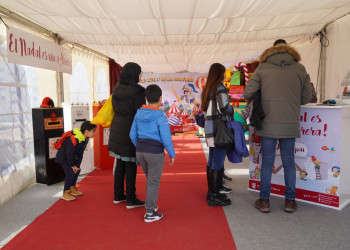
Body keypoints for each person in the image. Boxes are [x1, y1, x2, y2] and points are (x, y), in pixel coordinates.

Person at [243, 39, 312, 213]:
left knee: (267, 162)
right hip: (290, 122)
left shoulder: (263, 68)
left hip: (267, 122)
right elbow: (306, 98)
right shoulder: (299, 69)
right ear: (289, 50)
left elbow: (247, 93)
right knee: (289, 162)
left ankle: (264, 201)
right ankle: (290, 202)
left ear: (271, 50)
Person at [130, 84, 175, 223]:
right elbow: (166, 137)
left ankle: (152, 206)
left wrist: (140, 147)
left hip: (140, 151)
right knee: (153, 182)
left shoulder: (138, 113)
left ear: (146, 98)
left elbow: (132, 135)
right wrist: (172, 154)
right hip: (155, 152)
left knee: (151, 180)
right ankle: (150, 213)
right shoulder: (160, 116)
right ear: (160, 99)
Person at [108, 62, 146, 209]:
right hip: (130, 130)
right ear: (134, 74)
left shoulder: (117, 87)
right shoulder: (138, 91)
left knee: (120, 162)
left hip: (117, 127)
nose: (141, 75)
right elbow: (140, 114)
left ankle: (118, 196)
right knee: (131, 164)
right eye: (140, 72)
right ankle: (131, 199)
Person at [201, 63, 234, 207]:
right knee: (218, 162)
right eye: (224, 72)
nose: (225, 75)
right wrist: (231, 107)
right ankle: (214, 195)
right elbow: (224, 107)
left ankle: (212, 191)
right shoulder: (220, 87)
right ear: (220, 73)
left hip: (210, 129)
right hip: (220, 129)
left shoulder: (207, 88)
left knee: (212, 160)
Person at [55, 121, 97, 201]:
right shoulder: (74, 138)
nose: (95, 133)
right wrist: (72, 165)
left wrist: (77, 165)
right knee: (70, 172)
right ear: (87, 131)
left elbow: (80, 153)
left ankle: (72, 188)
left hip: (72, 158)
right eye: (93, 131)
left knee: (77, 170)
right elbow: (69, 153)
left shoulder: (85, 138)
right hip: (63, 157)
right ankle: (66, 192)